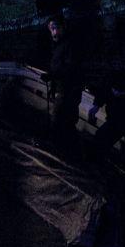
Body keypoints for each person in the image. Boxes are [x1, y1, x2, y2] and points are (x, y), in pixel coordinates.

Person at [45, 15, 81, 151]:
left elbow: (71, 69)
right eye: (51, 29)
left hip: (70, 90)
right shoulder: (57, 45)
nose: (53, 32)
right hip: (61, 88)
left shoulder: (70, 45)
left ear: (62, 28)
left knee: (64, 120)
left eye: (55, 28)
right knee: (61, 120)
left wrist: (52, 75)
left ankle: (64, 149)